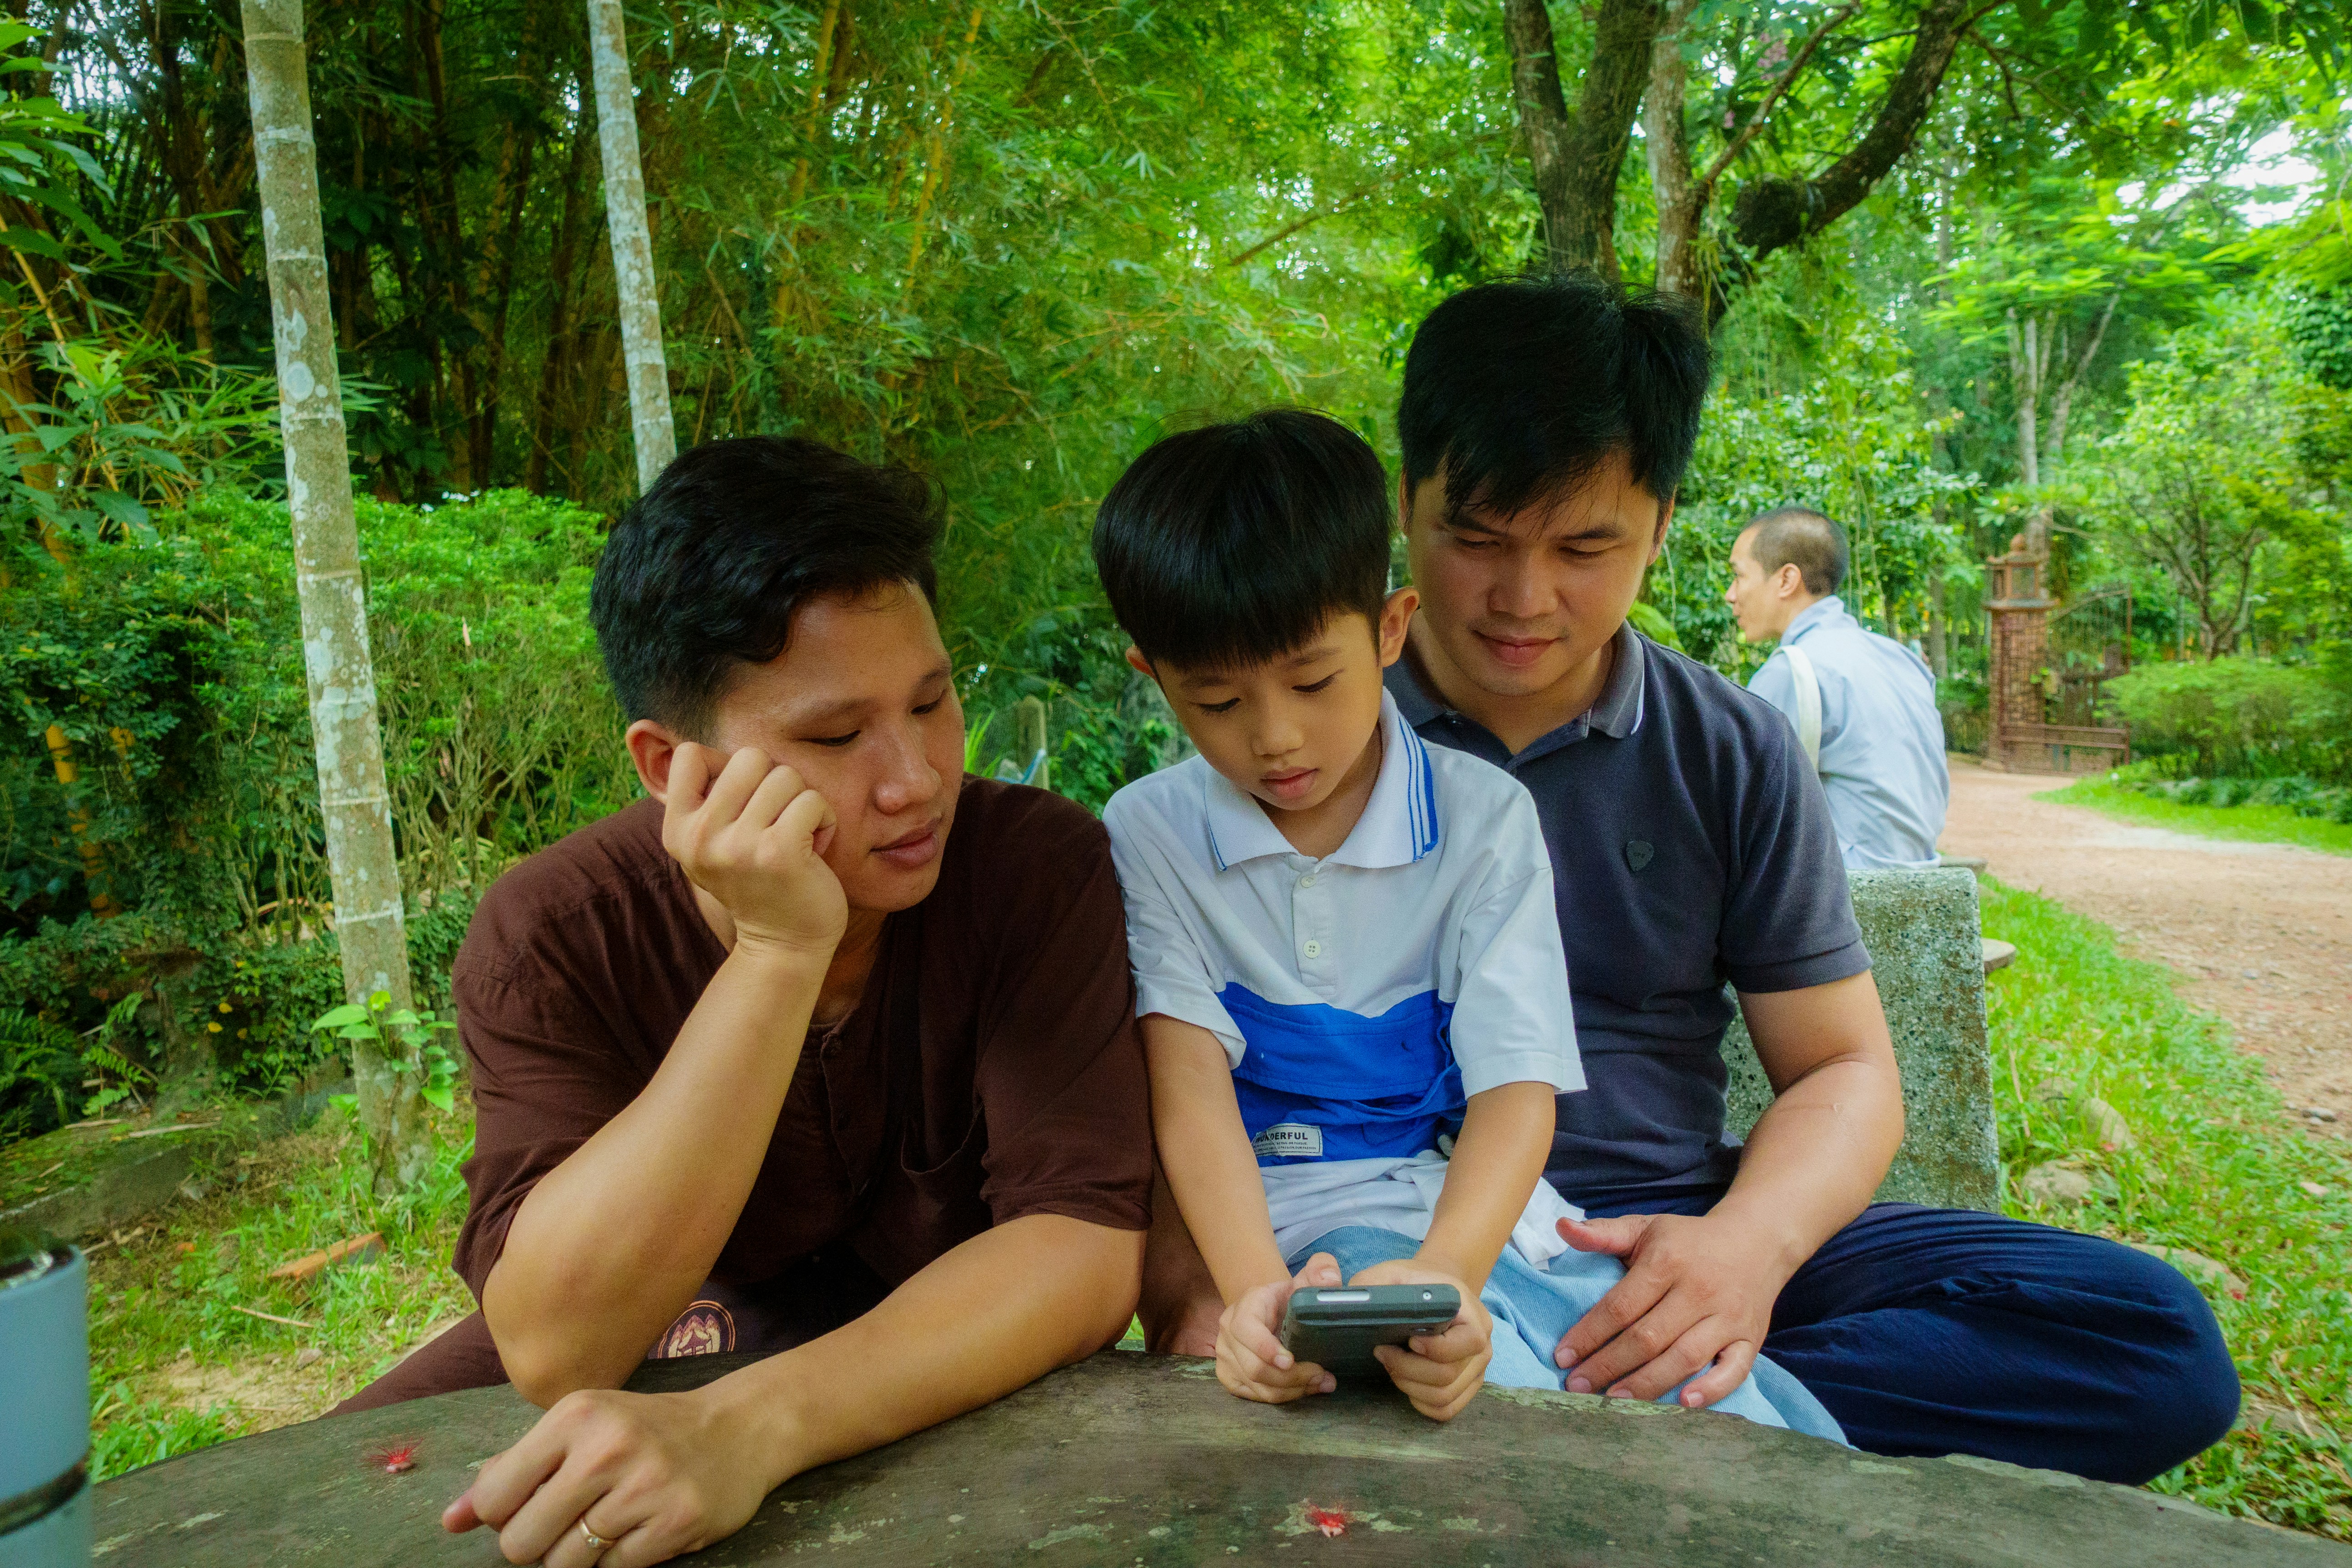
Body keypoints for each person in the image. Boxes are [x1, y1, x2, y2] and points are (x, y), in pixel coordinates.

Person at [1140, 276, 2240, 1486]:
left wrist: (1740, 1256)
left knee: (2149, 1341)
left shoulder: (1725, 747)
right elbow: (1181, 1087)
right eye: (1476, 539)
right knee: (1371, 1331)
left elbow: (1843, 1069)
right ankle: (1650, 1425)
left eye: (1583, 547)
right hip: (1385, 1242)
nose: (1522, 597)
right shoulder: (1280, 730)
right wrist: (1211, 1289)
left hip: (1666, 1218)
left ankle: (1626, 1404)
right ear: (1405, 512)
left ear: (1661, 525)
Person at [337, 436, 1154, 1568]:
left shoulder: (1031, 871)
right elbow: (558, 1341)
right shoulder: (555, 930)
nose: (913, 776)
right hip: (660, 1332)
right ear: (674, 766)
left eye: (931, 700)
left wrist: (746, 1425)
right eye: (833, 735)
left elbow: (1081, 1246)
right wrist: (777, 950)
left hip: (925, 1346)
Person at [1092, 409, 1833, 1435]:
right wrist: (1258, 1296)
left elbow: (1514, 1084)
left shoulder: (1482, 818)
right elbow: (1187, 1091)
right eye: (1214, 701)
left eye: (1312, 681)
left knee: (1751, 1412)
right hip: (1302, 1240)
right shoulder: (1148, 831)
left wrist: (1447, 1271)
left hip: (1488, 1232)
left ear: (1388, 629)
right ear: (1153, 676)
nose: (1274, 738)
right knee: (1442, 1374)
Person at [1724, 506, 1949, 869]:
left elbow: (1739, 810)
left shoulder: (1794, 670)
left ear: (1786, 580)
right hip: (1924, 881)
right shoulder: (1898, 659)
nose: (1730, 595)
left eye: (1738, 576)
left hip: (1845, 897)